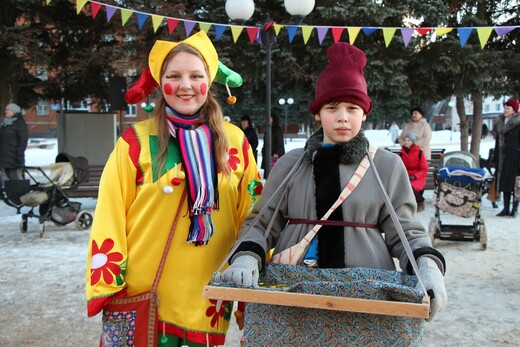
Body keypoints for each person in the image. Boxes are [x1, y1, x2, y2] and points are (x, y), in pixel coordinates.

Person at [220, 42, 447, 324]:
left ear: (364, 113)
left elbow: (405, 229)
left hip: (366, 296)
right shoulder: (292, 164)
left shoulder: (387, 166)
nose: (342, 116)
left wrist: (426, 264)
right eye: (332, 107)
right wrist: (247, 256)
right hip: (293, 295)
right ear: (317, 113)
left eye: (352, 108)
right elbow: (263, 223)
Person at [85, 31, 262, 346]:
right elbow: (109, 216)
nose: (185, 85)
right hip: (143, 298)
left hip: (208, 298)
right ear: (159, 82)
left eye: (196, 75)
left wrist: (255, 275)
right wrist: (108, 286)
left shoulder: (235, 142)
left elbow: (256, 216)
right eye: (174, 76)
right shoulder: (135, 141)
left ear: (209, 81)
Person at [494, 98, 520, 218]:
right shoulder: (501, 123)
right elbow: (498, 142)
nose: (505, 110)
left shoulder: (518, 124)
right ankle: (505, 208)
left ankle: (514, 208)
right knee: (505, 182)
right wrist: (495, 156)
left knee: (516, 184)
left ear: (514, 110)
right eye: (504, 108)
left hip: (515, 158)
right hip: (503, 158)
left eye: (508, 108)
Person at [399, 132, 428, 212]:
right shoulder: (401, 154)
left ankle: (420, 202)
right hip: (406, 176)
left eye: (409, 140)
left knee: (411, 187)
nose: (406, 142)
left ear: (412, 142)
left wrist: (415, 176)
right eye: (405, 140)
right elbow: (399, 166)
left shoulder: (419, 153)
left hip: (418, 177)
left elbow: (424, 169)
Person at [0, 103, 28, 185]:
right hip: (4, 155)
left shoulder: (20, 124)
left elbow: (23, 141)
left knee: (14, 176)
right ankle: (7, 193)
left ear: (14, 111)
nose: (6, 111)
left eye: (8, 110)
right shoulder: (5, 123)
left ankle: (18, 194)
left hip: (14, 156)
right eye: (5, 110)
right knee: (4, 176)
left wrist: (19, 154)